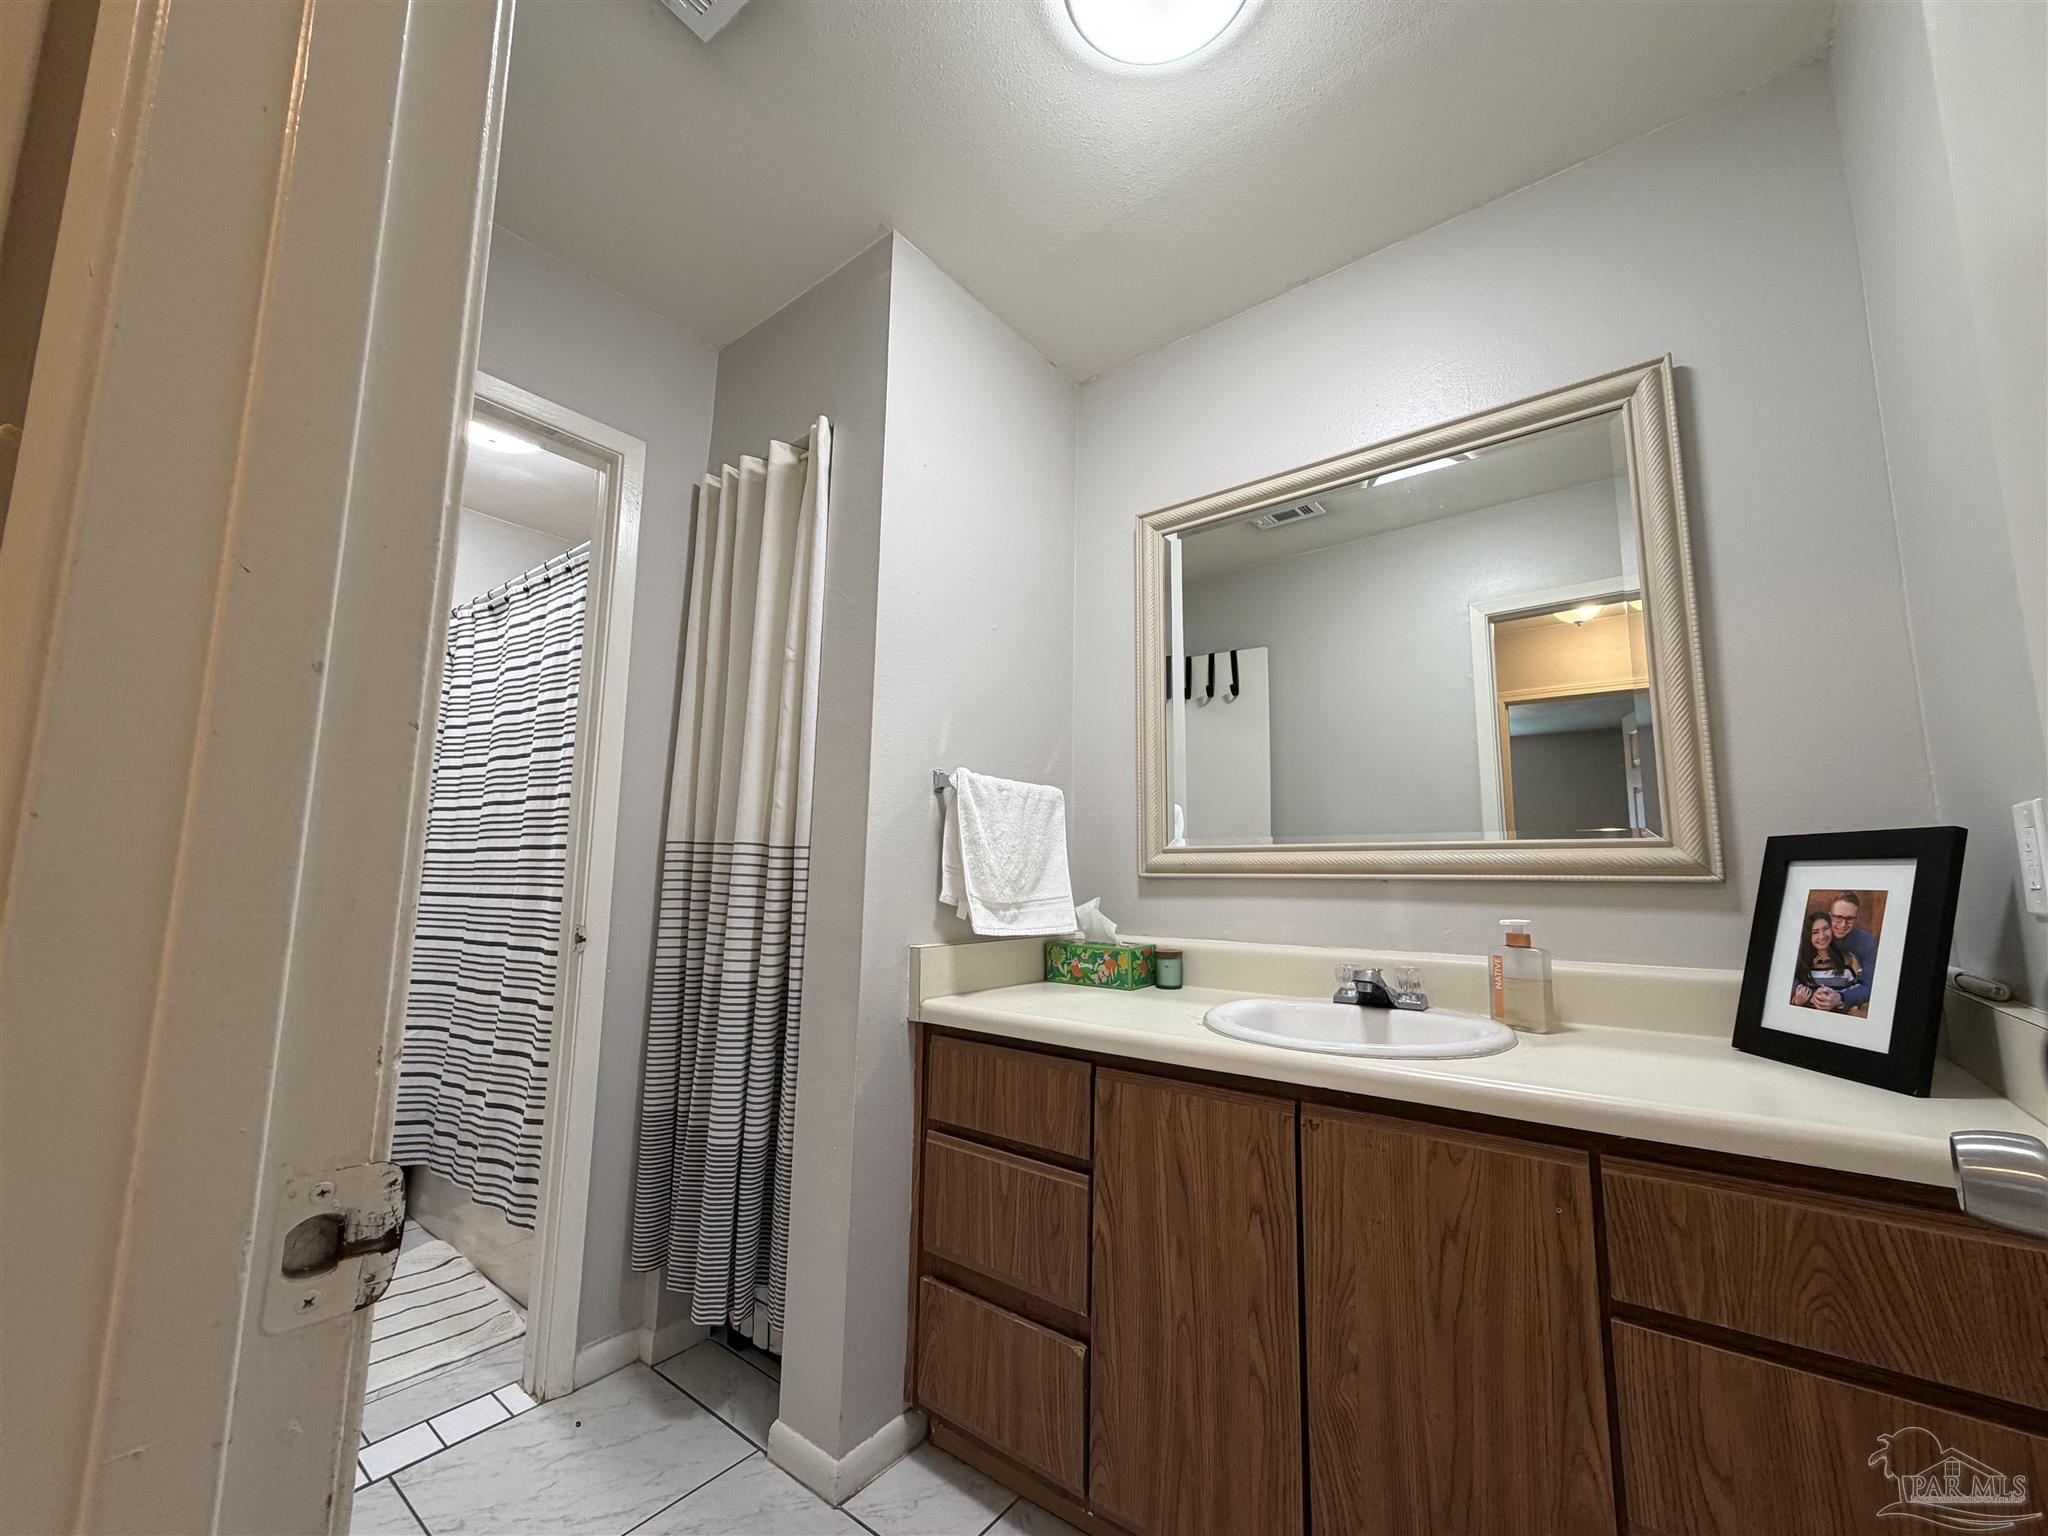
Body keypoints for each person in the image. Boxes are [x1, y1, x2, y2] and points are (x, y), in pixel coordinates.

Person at [1810, 890, 1877, 1012]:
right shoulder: (1816, 936)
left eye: (1849, 919)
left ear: (1856, 918)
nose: (1843, 924)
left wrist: (1841, 998)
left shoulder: (1866, 942)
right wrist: (1812, 996)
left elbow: (1871, 984)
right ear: (1830, 915)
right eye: (1838, 917)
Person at [1792, 910, 1862, 1011]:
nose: (1822, 936)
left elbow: (1860, 995)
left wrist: (1838, 999)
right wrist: (1798, 1002)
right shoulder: (1800, 965)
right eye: (1815, 932)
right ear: (1808, 936)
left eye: (1826, 929)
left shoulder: (1850, 959)